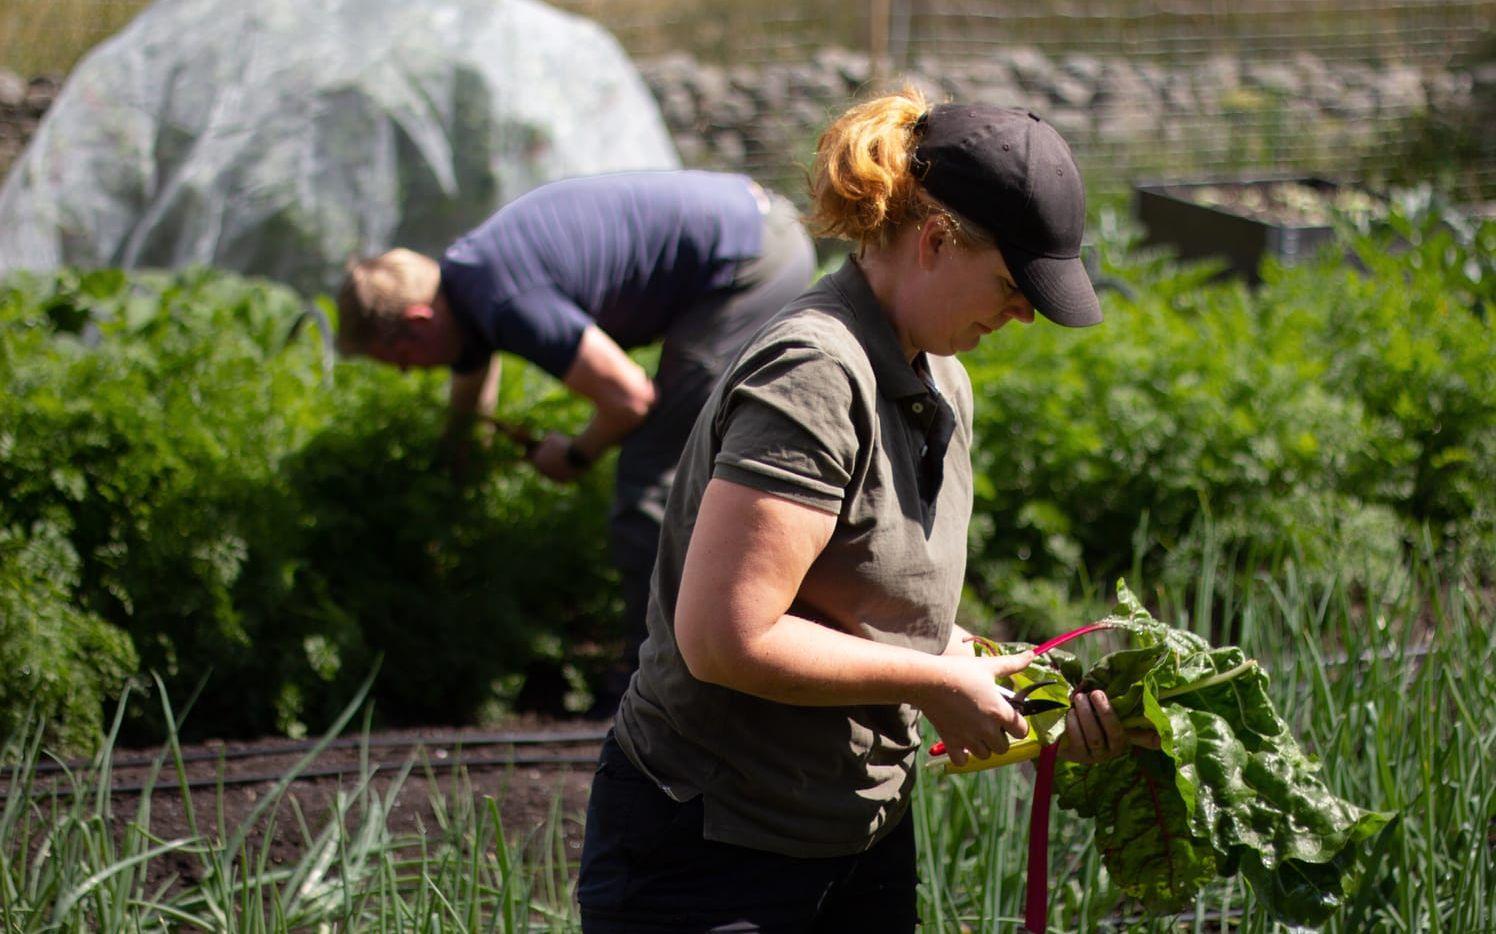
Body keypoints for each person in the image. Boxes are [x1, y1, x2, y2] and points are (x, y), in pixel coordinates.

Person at [577, 91, 1161, 932]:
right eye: (1010, 284)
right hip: (711, 853)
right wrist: (937, 684)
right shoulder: (814, 375)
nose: (1024, 312)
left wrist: (1031, 696)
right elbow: (724, 636)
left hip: (854, 837)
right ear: (933, 241)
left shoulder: (937, 375)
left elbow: (878, 615)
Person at [335, 170, 816, 710]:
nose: (407, 374)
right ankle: (709, 654)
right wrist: (453, 458)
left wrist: (574, 454)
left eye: (400, 361)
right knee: (694, 461)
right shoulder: (469, 283)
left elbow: (628, 397)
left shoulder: (501, 297)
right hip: (755, 227)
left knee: (651, 485)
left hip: (749, 264)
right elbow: (471, 381)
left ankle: (661, 682)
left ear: (418, 323)